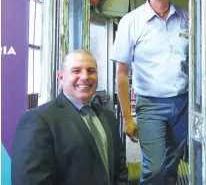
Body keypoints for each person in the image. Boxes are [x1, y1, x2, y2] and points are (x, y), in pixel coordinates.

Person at [111, 0, 189, 184]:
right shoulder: (130, 22)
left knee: (172, 165)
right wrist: (127, 118)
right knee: (154, 168)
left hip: (183, 104)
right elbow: (122, 74)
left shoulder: (187, 19)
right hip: (151, 106)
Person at [11, 50, 129, 185]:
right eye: (76, 71)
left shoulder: (108, 117)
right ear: (61, 77)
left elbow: (120, 169)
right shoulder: (38, 120)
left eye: (91, 71)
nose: (85, 77)